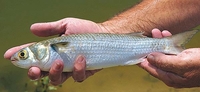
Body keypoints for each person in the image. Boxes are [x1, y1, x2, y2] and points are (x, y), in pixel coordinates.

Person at [4, 0, 200, 88]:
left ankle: (167, 45)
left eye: (23, 55)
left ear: (43, 50)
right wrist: (106, 30)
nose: (20, 58)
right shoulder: (51, 49)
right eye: (23, 55)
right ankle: (167, 45)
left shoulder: (52, 48)